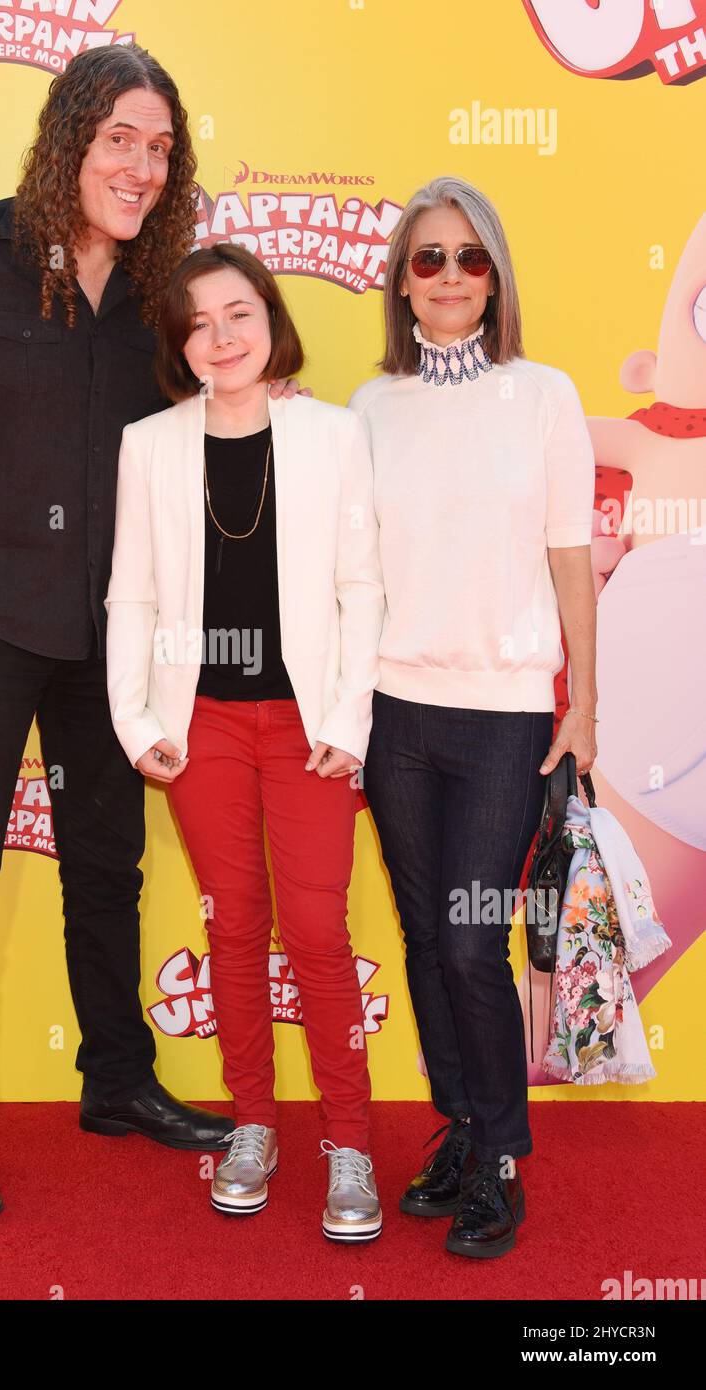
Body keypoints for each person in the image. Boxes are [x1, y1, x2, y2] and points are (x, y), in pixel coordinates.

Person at [0, 44, 304, 1220]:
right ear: (70, 135)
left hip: (108, 634)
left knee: (107, 872)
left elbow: (209, 431)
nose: (138, 164)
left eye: (160, 147)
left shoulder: (157, 289)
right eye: (119, 136)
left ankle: (116, 1082)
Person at [104, 243, 385, 1241]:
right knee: (231, 927)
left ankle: (347, 1141)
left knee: (315, 933)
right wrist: (139, 722)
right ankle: (253, 1125)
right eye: (197, 323)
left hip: (308, 730)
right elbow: (132, 590)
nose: (220, 337)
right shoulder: (149, 444)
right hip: (202, 728)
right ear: (178, 343)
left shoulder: (333, 435)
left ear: (269, 319)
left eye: (237, 315)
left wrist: (347, 722)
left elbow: (360, 588)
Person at [348, 175, 597, 1258]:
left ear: (494, 277)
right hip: (392, 715)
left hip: (500, 717)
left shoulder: (542, 395)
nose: (448, 277)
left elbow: (569, 561)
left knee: (464, 940)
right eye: (427, 258)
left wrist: (582, 701)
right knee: (420, 937)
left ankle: (498, 1155)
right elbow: (351, 573)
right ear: (401, 280)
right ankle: (458, 1127)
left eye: (469, 258)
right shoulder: (370, 406)